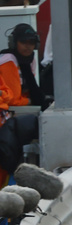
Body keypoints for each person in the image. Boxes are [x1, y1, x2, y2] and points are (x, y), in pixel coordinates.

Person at [0, 23, 45, 177]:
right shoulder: (8, 60)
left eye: (31, 43)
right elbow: (12, 99)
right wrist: (28, 101)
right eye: (23, 42)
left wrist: (26, 100)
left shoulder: (29, 60)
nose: (27, 47)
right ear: (14, 42)